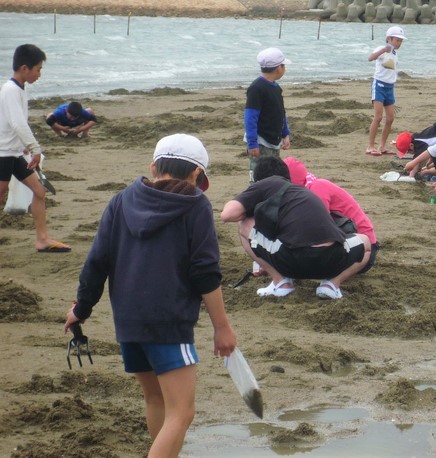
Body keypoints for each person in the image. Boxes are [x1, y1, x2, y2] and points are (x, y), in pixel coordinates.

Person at [63, 133, 237, 458]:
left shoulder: (120, 200)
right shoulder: (195, 204)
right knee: (182, 412)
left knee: (156, 400)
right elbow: (205, 272)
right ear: (197, 175)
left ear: (153, 166)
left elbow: (97, 261)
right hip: (168, 322)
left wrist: (81, 308)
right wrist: (221, 326)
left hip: (129, 321)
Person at [220, 157, 370, 300]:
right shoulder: (303, 192)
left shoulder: (266, 183)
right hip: (331, 262)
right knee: (365, 241)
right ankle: (331, 285)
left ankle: (281, 282)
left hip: (294, 262)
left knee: (245, 223)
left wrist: (250, 210)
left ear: (259, 181)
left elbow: (226, 215)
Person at [0, 44, 71, 253]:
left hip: (14, 152)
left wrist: (24, 147)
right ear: (24, 68)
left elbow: (14, 123)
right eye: (38, 69)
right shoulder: (10, 90)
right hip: (2, 153)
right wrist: (35, 148)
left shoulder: (21, 89)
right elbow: (17, 123)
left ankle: (42, 239)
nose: (39, 74)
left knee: (40, 191)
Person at [284, 156, 380, 272]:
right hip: (356, 242)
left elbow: (319, 226)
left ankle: (331, 283)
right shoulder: (309, 187)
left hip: (363, 251)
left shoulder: (318, 188)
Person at [245, 47, 292, 184]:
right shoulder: (257, 88)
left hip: (274, 139)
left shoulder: (276, 87)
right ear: (278, 68)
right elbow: (250, 117)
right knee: (258, 172)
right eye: (284, 65)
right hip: (260, 141)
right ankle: (254, 197)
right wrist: (252, 143)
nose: (285, 69)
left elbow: (280, 112)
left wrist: (285, 133)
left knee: (273, 171)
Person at [367, 25, 405, 156]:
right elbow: (370, 58)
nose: (399, 43)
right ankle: (370, 146)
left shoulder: (395, 54)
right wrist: (384, 50)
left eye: (400, 41)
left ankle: (382, 146)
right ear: (388, 39)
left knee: (390, 118)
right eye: (397, 40)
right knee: (378, 117)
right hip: (379, 86)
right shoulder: (381, 49)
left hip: (390, 87)